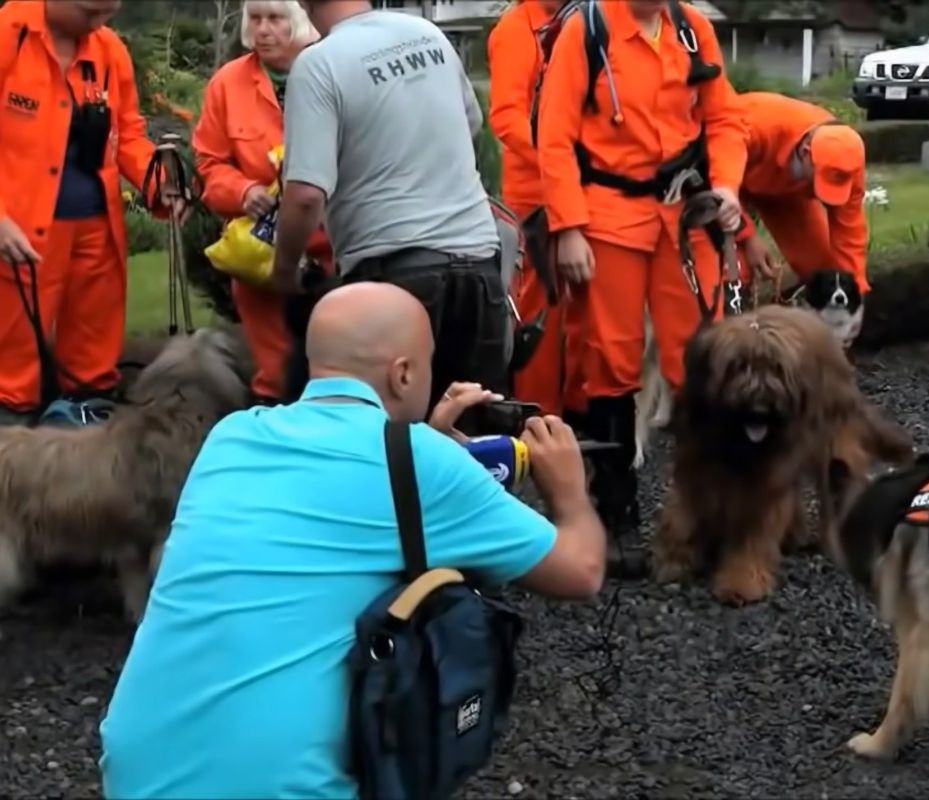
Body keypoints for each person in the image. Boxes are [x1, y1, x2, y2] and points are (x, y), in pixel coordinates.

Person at [98, 280, 607, 800]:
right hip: (278, 786)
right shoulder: (420, 462)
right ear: (404, 372)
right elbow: (581, 569)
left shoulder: (232, 437)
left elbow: (351, 505)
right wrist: (568, 491)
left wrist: (432, 450)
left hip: (138, 769)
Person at [536, 0, 747, 573]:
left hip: (685, 212)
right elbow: (552, 136)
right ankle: (616, 513)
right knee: (612, 362)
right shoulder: (588, 31)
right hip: (607, 217)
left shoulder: (691, 28)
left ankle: (707, 511)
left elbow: (724, 118)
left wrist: (727, 187)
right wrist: (569, 227)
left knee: (702, 361)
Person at [270, 0, 509, 408]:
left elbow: (307, 195)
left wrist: (284, 269)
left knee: (385, 441)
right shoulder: (429, 35)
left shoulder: (319, 65)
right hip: (480, 268)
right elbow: (471, 123)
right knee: (471, 433)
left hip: (394, 277)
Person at [0, 0, 182, 426]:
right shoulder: (10, 35)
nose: (99, 25)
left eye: (107, 15)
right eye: (90, 14)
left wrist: (161, 185)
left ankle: (85, 429)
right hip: (21, 232)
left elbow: (130, 135)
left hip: (96, 230)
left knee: (92, 357)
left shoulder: (109, 50)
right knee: (13, 361)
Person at [192, 0, 331, 405]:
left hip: (332, 249)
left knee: (338, 360)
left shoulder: (332, 67)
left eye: (276, 19)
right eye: (256, 19)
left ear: (301, 22)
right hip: (261, 255)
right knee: (274, 375)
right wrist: (240, 190)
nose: (264, 30)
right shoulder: (228, 83)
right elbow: (210, 162)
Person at [488, 0, 586, 420]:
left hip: (582, 187)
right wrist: (557, 158)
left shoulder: (586, 19)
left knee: (585, 303)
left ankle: (583, 408)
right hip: (536, 194)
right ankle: (537, 414)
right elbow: (507, 117)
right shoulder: (516, 29)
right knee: (541, 308)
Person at [732, 91, 870, 293]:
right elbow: (713, 182)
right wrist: (747, 237)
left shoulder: (847, 162)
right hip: (725, 181)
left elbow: (849, 234)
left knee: (821, 271)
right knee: (736, 271)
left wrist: (853, 292)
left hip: (785, 191)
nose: (820, 193)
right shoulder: (755, 126)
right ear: (806, 152)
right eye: (819, 182)